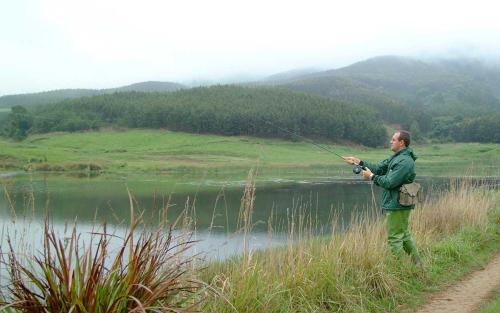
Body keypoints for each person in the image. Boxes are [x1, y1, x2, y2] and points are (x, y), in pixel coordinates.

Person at [343, 130, 421, 264]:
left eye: (393, 139)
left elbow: (390, 182)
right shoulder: (397, 157)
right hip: (398, 203)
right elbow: (378, 167)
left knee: (394, 238)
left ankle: (402, 270)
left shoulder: (404, 162)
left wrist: (371, 177)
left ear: (402, 143)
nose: (390, 141)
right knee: (404, 235)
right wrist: (359, 162)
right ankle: (418, 265)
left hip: (397, 204)